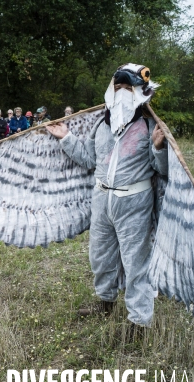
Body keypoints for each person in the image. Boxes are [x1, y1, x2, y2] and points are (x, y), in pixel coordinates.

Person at [46, 63, 167, 332]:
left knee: (136, 264)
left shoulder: (150, 126)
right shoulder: (102, 124)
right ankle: (105, 301)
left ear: (140, 92)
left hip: (134, 202)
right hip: (101, 200)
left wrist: (159, 148)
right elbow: (89, 158)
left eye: (128, 87)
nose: (122, 92)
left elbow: (162, 171)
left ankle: (139, 322)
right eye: (118, 87)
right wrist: (66, 138)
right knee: (100, 257)